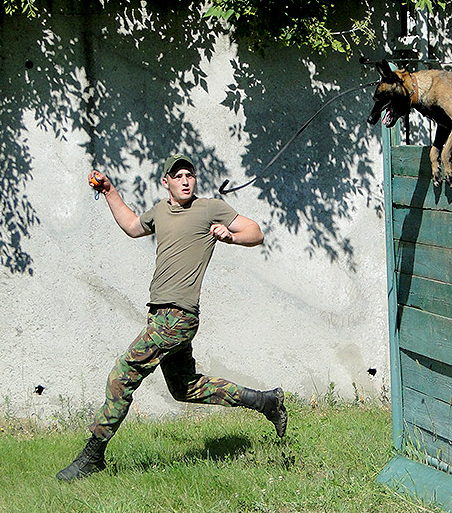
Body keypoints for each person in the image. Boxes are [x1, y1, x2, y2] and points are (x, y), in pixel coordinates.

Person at [56, 153, 287, 482]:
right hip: (159, 314)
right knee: (184, 387)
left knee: (123, 374)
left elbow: (256, 232)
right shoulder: (160, 211)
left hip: (177, 317)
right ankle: (266, 402)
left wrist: (230, 236)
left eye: (189, 175)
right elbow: (133, 227)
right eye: (178, 176)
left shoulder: (209, 208)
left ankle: (92, 456)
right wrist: (109, 191)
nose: (185, 180)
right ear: (166, 182)